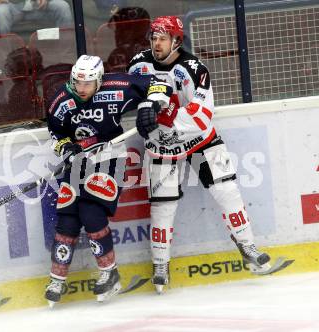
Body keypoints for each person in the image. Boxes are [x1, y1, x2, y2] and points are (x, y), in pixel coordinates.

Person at [127, 16, 272, 293]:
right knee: (162, 206)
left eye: (162, 38)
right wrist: (140, 113)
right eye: (153, 38)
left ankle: (248, 245)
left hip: (199, 140)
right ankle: (160, 264)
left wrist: (166, 113)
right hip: (162, 146)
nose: (156, 43)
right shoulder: (138, 64)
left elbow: (203, 116)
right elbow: (129, 97)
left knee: (227, 190)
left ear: (176, 41)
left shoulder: (194, 68)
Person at [45, 55, 173, 307]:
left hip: (109, 155)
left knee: (91, 212)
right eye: (77, 82)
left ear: (99, 80)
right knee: (68, 216)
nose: (81, 89)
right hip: (79, 160)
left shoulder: (118, 86)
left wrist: (151, 105)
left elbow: (160, 83)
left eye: (88, 83)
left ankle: (110, 272)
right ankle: (57, 278)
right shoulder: (61, 99)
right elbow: (55, 133)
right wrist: (65, 148)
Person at [0, 0, 73, 34]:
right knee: (0, 11)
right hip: (11, 7)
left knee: (62, 7)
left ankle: (65, 53)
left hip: (38, 6)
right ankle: (4, 58)